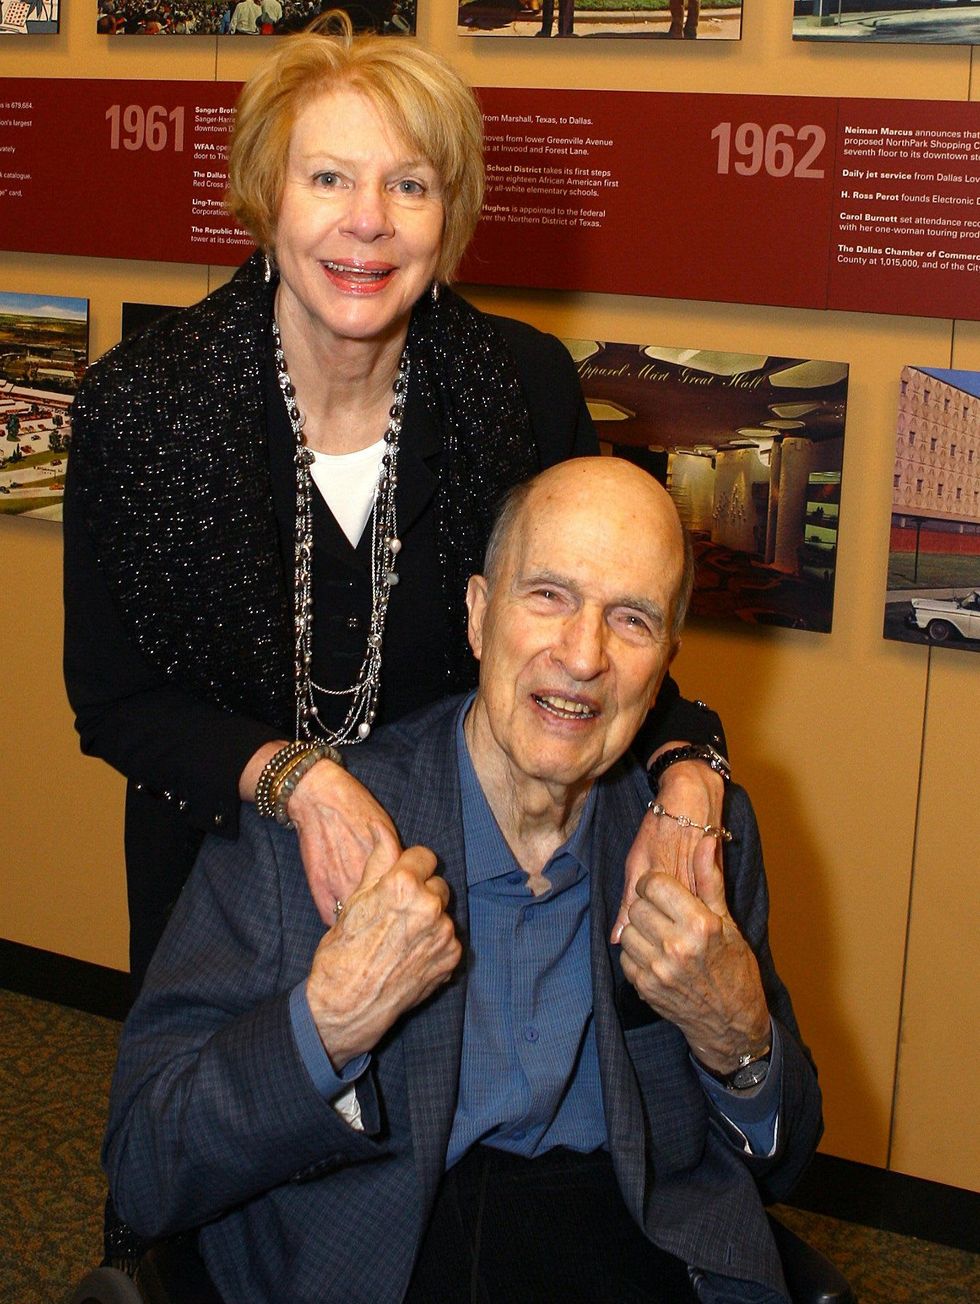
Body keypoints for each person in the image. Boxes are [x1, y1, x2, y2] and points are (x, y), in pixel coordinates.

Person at [64, 13, 727, 995]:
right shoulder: (144, 404)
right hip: (223, 882)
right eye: (327, 177)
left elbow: (589, 639)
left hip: (455, 893)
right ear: (266, 195)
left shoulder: (519, 388)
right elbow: (116, 700)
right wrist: (299, 778)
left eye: (408, 184)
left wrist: (688, 771)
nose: (366, 218)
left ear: (446, 215)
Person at [105, 459, 822, 1304]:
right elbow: (146, 1168)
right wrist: (325, 1024)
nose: (583, 656)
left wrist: (738, 1037)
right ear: (480, 617)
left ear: (665, 661)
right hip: (379, 1257)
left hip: (629, 1241)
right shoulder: (312, 837)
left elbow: (786, 1158)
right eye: (548, 595)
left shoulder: (694, 840)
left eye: (630, 620)